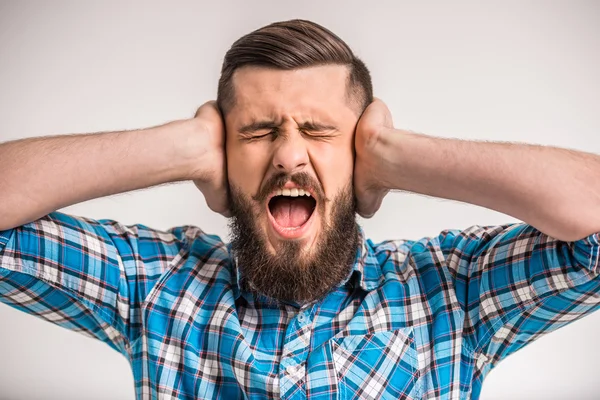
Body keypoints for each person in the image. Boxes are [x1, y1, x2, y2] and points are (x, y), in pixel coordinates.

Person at [0, 18, 599, 400]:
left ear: (362, 151)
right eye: (258, 132)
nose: (289, 156)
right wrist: (178, 146)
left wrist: (399, 156)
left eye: (319, 131)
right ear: (221, 156)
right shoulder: (154, 283)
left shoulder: (452, 290)